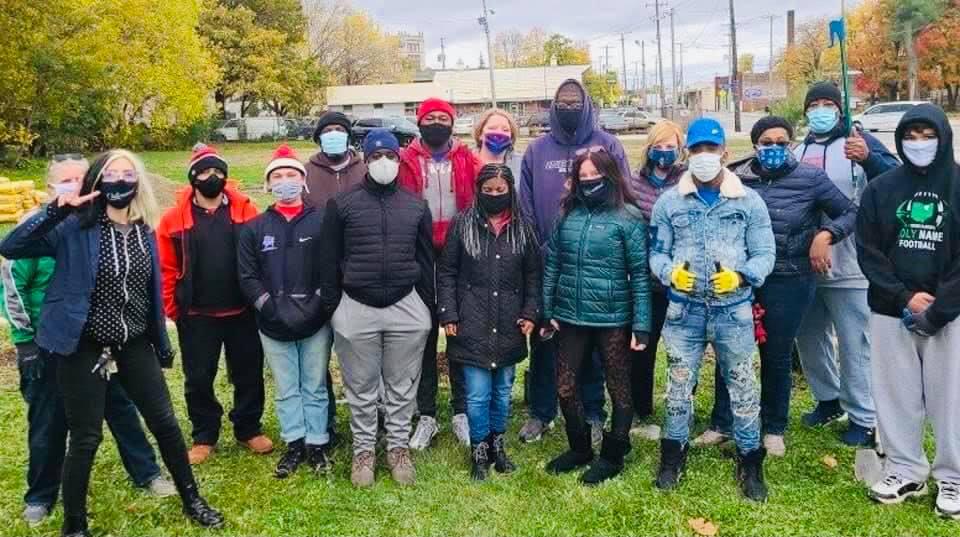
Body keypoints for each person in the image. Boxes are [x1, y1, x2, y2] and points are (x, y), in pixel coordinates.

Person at [0, 150, 223, 536]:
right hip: (81, 344)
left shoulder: (143, 229)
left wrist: (159, 338)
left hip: (133, 342)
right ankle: (74, 524)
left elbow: (149, 291)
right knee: (85, 436)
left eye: (128, 173)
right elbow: (12, 246)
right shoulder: (74, 227)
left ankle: (193, 499)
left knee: (166, 424)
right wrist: (56, 209)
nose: (121, 180)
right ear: (98, 180)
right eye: (112, 173)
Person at [703, 116, 857, 457]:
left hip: (789, 277)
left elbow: (849, 212)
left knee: (776, 353)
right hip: (741, 276)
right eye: (766, 142)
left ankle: (773, 427)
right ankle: (722, 422)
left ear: (791, 143)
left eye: (781, 141)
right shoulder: (739, 178)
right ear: (756, 144)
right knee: (730, 349)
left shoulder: (811, 178)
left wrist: (825, 234)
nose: (774, 148)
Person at [649, 118, 775, 501]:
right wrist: (671, 274)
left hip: (732, 312)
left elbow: (766, 253)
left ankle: (750, 461)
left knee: (743, 386)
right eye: (697, 149)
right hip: (684, 313)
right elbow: (656, 252)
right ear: (687, 154)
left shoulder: (748, 201)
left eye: (711, 149)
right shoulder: (669, 201)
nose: (704, 156)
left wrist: (742, 277)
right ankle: (672, 456)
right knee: (677, 387)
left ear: (725, 153)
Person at [856, 104, 960, 519]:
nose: (918, 143)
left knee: (950, 397)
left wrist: (939, 308)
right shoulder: (881, 189)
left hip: (949, 312)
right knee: (895, 393)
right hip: (890, 309)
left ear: (942, 136)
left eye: (926, 134)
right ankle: (904, 467)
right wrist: (903, 297)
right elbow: (870, 251)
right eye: (911, 135)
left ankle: (952, 474)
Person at [518, 78, 631, 444]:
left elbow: (622, 197)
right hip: (548, 263)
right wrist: (541, 250)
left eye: (574, 101)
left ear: (586, 105)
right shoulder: (536, 150)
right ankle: (541, 412)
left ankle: (594, 412)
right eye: (562, 101)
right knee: (546, 341)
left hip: (595, 265)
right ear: (553, 106)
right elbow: (526, 206)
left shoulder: (608, 144)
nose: (568, 107)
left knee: (594, 344)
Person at [320, 129, 435, 487]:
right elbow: (328, 259)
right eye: (375, 156)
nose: (383, 162)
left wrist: (427, 307)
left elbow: (426, 258)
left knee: (402, 386)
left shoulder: (416, 205)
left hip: (404, 304)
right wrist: (333, 305)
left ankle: (398, 448)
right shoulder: (342, 204)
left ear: (399, 161)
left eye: (389, 156)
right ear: (365, 160)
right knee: (361, 386)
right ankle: (364, 451)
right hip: (356, 305)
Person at [793, 81, 899, 447]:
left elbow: (895, 181)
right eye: (814, 104)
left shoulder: (859, 142)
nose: (821, 110)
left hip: (851, 263)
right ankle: (827, 399)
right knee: (809, 337)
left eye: (828, 103)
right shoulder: (797, 149)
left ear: (840, 109)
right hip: (805, 265)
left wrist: (868, 157)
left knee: (856, 342)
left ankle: (865, 417)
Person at [156, 144, 271, 465]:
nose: (212, 177)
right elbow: (164, 268)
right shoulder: (172, 220)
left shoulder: (247, 212)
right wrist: (171, 306)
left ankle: (248, 427)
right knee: (198, 377)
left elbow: (262, 258)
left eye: (218, 171)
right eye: (205, 172)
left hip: (243, 311)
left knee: (249, 373)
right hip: (196, 314)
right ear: (193, 177)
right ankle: (204, 434)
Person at [541, 148, 650, 485]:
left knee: (618, 388)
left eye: (595, 177)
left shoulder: (628, 217)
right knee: (565, 386)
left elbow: (640, 274)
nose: (589, 183)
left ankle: (614, 453)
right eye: (583, 177)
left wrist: (642, 325)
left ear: (610, 177)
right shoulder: (567, 214)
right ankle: (580, 448)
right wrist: (548, 310)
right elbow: (553, 265)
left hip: (613, 318)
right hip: (571, 315)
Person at [437, 163, 541, 481]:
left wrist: (531, 312)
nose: (495, 195)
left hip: (509, 324)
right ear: (478, 191)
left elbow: (533, 275)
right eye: (488, 190)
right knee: (478, 394)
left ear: (510, 191)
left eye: (500, 190)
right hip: (471, 323)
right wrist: (449, 314)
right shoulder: (462, 224)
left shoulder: (523, 228)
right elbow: (447, 272)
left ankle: (498, 445)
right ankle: (479, 449)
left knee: (502, 392)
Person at [237, 144, 332, 479]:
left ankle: (317, 444)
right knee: (287, 386)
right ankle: (294, 442)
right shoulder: (254, 228)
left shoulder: (322, 220)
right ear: (268, 184)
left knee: (315, 384)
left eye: (291, 175)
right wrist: (268, 308)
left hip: (315, 319)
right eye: (277, 176)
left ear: (303, 181)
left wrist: (317, 307)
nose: (285, 181)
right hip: (272, 322)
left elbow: (332, 268)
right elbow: (247, 276)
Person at [398, 97, 479, 449]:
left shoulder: (466, 158)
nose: (435, 123)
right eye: (428, 117)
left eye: (441, 117)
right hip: (421, 254)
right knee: (425, 334)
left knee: (458, 332)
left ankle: (461, 411)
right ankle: (427, 413)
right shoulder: (405, 160)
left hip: (459, 253)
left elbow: (480, 199)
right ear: (419, 122)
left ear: (451, 122)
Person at [302, 110, 363, 446]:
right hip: (317, 270)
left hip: (358, 271)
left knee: (358, 352)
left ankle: (365, 419)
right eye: (329, 130)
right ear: (319, 137)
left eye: (341, 129)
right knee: (319, 352)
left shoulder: (365, 168)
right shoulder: (307, 173)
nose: (335, 134)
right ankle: (323, 423)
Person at [626, 120, 686, 438]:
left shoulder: (688, 180)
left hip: (680, 279)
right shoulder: (633, 183)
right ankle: (641, 409)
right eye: (658, 145)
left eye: (670, 145)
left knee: (682, 348)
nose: (664, 152)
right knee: (642, 347)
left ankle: (681, 405)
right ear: (649, 148)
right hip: (644, 281)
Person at [473, 108, 522, 178]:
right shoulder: (464, 164)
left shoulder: (521, 164)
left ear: (511, 137)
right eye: (492, 128)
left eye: (505, 130)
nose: (499, 133)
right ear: (480, 134)